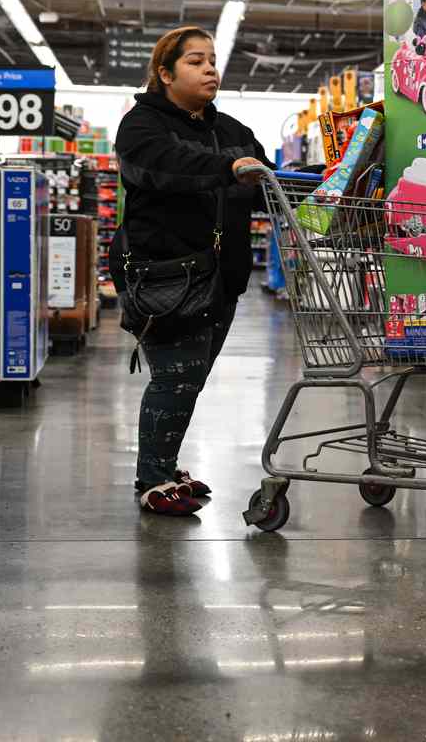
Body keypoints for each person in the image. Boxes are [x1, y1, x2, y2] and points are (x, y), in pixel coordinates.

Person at [114, 26, 270, 516]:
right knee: (174, 378)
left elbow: (266, 183)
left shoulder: (233, 131)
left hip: (220, 278)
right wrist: (229, 168)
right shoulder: (141, 127)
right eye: (196, 61)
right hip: (165, 277)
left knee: (191, 378)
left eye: (212, 61)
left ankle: (164, 463)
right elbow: (168, 164)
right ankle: (153, 479)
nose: (210, 70)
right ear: (165, 73)